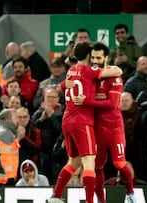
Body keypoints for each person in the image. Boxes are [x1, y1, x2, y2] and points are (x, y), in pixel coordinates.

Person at [47, 41, 123, 203]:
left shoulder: (71, 71)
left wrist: (62, 85)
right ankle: (89, 201)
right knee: (89, 161)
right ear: (89, 55)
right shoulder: (90, 71)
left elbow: (62, 86)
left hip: (67, 120)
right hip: (82, 122)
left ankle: (55, 195)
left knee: (73, 161)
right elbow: (117, 71)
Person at [71, 42, 135, 203]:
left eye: (98, 57)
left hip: (114, 127)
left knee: (119, 163)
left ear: (106, 57)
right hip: (96, 128)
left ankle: (130, 194)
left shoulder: (114, 76)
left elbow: (112, 104)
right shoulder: (91, 74)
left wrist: (86, 101)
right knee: (97, 166)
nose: (95, 61)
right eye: (92, 57)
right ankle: (101, 200)